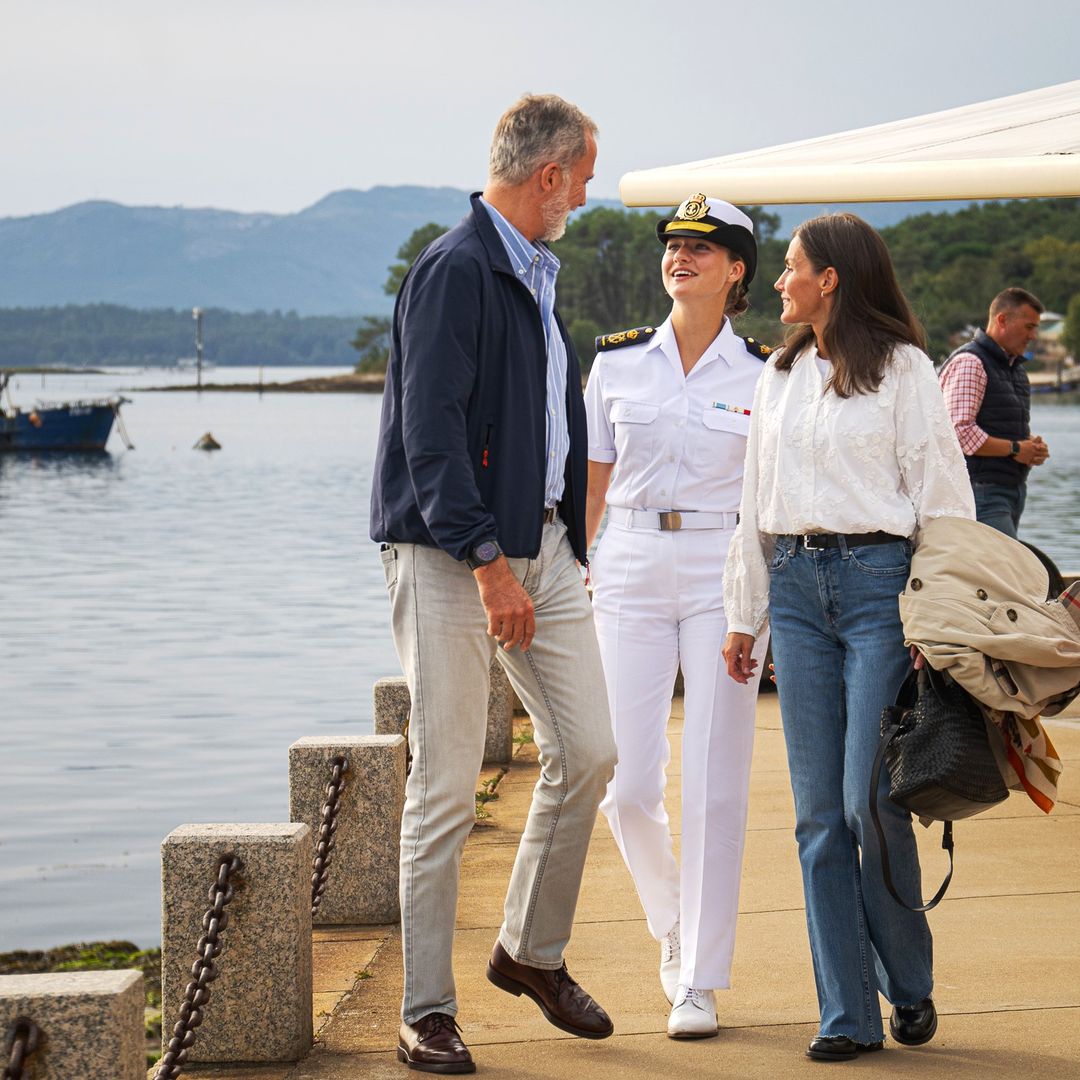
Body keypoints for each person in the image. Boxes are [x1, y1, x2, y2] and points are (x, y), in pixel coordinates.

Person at [370, 93, 618, 1075]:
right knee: (441, 786)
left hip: (545, 548)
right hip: (448, 553)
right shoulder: (455, 270)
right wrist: (485, 565)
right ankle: (425, 1012)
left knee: (590, 751)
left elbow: (550, 420)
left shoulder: (534, 273)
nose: (587, 196)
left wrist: (566, 544)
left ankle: (529, 951)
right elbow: (429, 438)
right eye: (586, 177)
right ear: (549, 174)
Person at [721, 213, 976, 1062]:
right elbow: (756, 502)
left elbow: (944, 503)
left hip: (878, 593)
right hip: (794, 591)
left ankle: (907, 982)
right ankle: (845, 1012)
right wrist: (741, 615)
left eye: (791, 267)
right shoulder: (779, 375)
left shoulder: (905, 370)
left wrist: (937, 620)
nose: (780, 280)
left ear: (831, 279)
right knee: (817, 818)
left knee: (872, 803)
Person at [584, 195, 770, 1040]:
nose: (681, 255)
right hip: (625, 564)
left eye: (703, 246)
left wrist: (758, 597)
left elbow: (767, 501)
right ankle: (671, 924)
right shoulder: (617, 364)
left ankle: (698, 976)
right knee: (621, 784)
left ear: (736, 270)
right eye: (673, 244)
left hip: (721, 567)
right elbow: (590, 488)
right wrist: (575, 572)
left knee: (715, 775)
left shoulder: (767, 374)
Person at [939, 287, 1050, 538]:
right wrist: (1017, 449)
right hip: (979, 491)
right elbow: (959, 433)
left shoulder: (1016, 370)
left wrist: (1030, 445)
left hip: (1007, 490)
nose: (1033, 335)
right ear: (1002, 320)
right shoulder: (971, 362)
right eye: (1028, 326)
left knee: (1000, 573)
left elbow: (997, 424)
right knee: (1006, 573)